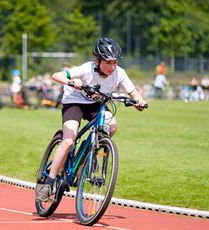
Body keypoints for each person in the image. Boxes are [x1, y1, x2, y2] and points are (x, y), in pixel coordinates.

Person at [35, 37, 147, 201]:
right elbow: (56, 75)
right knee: (68, 142)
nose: (112, 66)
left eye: (115, 62)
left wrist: (139, 101)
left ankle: (87, 157)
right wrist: (71, 82)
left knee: (112, 126)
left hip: (97, 105)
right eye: (108, 62)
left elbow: (134, 93)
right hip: (74, 102)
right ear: (98, 60)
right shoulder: (87, 68)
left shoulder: (119, 73)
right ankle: (48, 182)